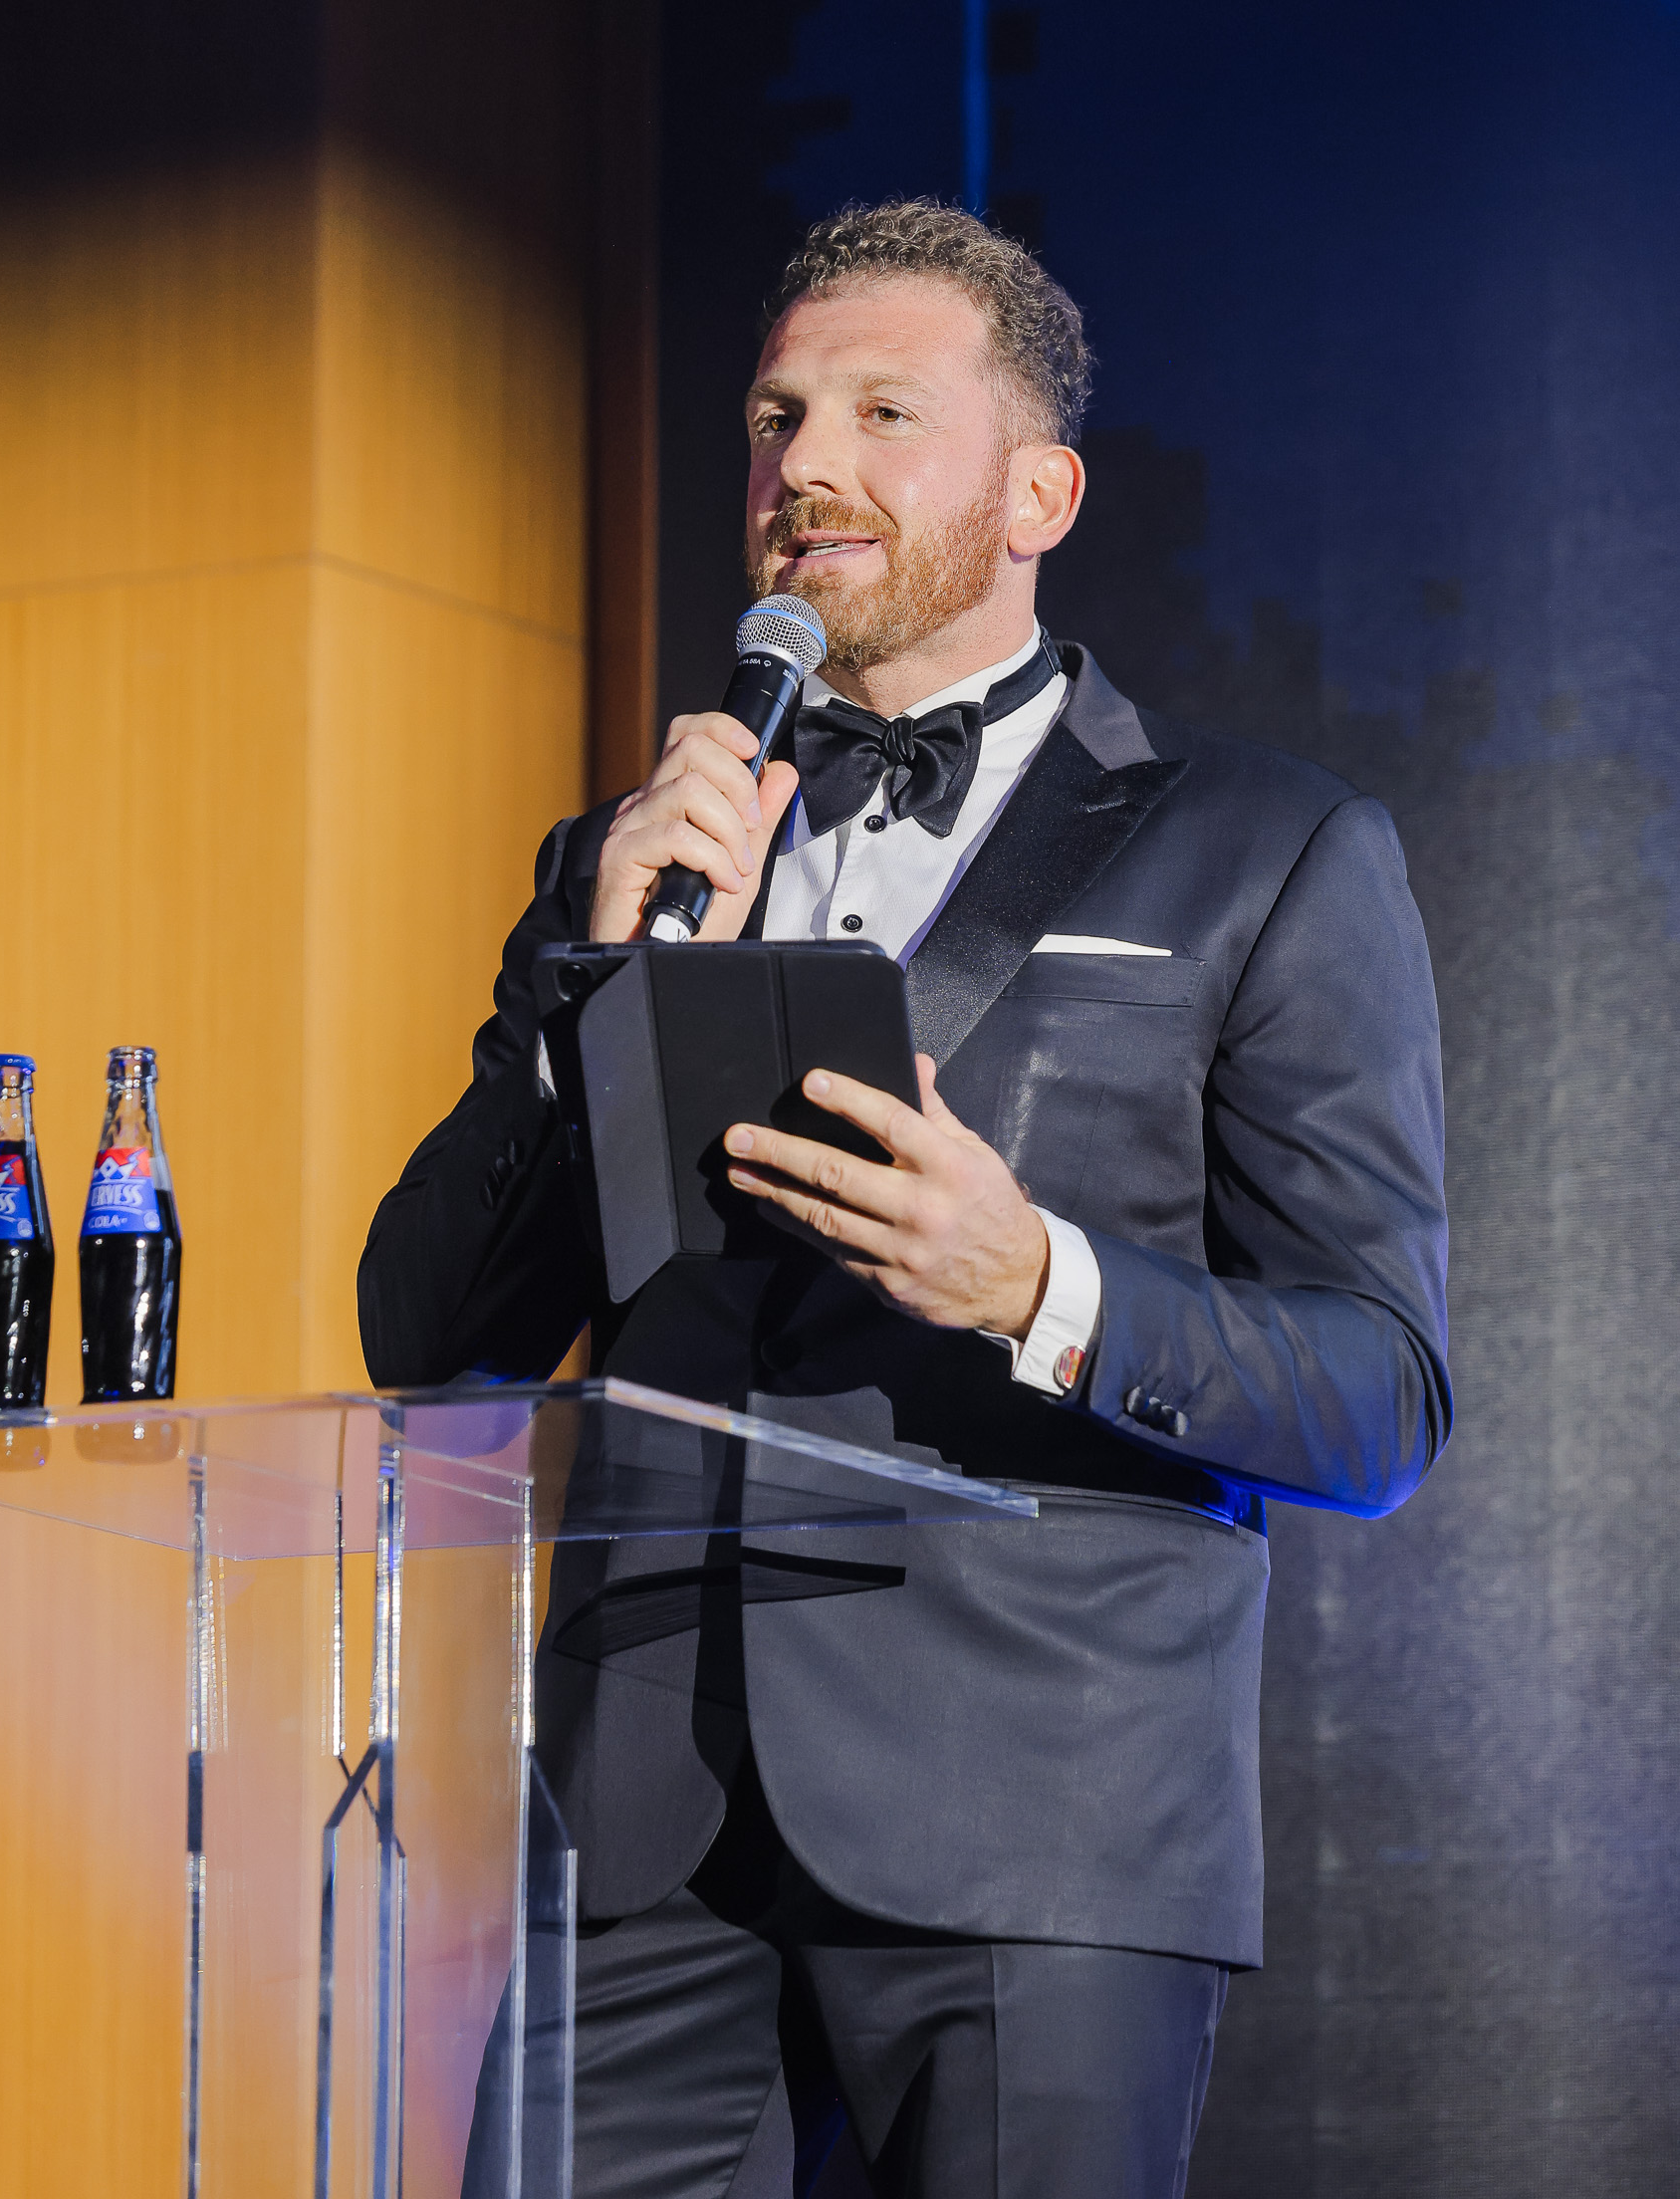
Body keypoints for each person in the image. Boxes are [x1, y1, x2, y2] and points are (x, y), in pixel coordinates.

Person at [360, 199, 1450, 2199]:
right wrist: (582, 993)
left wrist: (1038, 1282)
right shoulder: (627, 855)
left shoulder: (1267, 849)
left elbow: (1378, 1395)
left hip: (1045, 1811)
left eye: (882, 412)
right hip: (644, 1816)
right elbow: (428, 1336)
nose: (805, 465)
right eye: (776, 418)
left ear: (1039, 494)